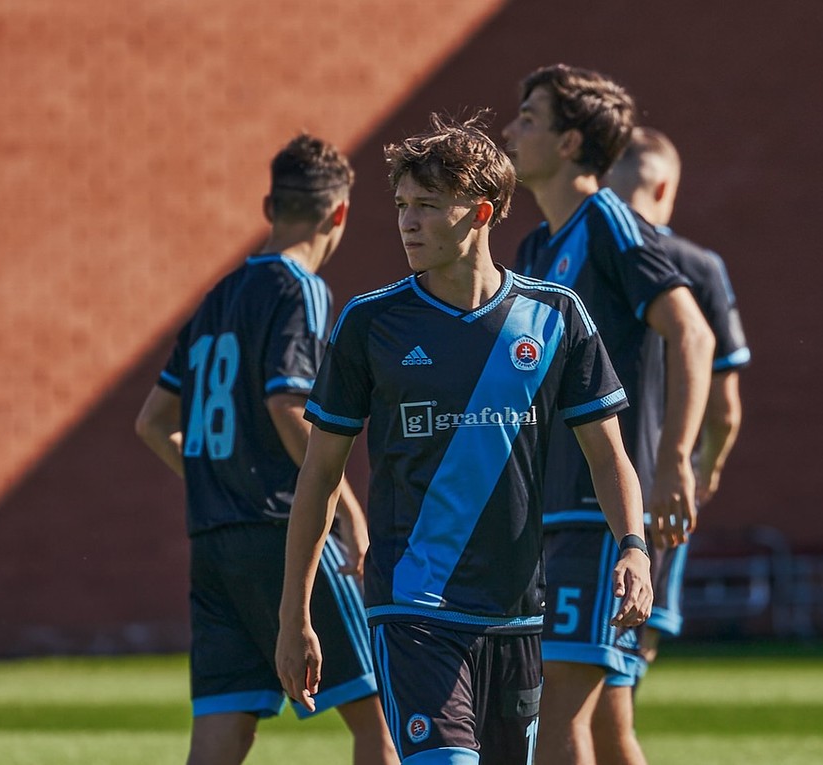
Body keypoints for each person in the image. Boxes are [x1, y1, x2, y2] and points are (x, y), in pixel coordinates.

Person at [276, 112, 652, 765]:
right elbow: (319, 476)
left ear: (480, 213)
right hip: (412, 605)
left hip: (516, 611)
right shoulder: (371, 324)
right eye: (401, 205)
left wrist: (635, 547)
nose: (407, 222)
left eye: (427, 205)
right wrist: (293, 616)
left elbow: (607, 452)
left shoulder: (555, 315)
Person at [135, 134, 396, 765]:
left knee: (220, 738)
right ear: (339, 214)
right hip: (284, 531)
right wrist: (347, 512)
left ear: (267, 206)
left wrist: (213, 478)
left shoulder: (216, 298)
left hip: (215, 541)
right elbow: (287, 404)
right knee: (385, 716)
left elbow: (152, 422)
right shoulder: (299, 289)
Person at [503, 65, 715, 765]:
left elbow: (693, 332)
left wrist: (674, 457)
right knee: (603, 731)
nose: (510, 130)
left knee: (552, 721)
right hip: (549, 514)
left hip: (599, 520)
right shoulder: (536, 247)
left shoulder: (607, 223)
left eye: (528, 118)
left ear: (569, 144)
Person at [591, 126, 751, 761]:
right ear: (665, 185)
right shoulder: (699, 266)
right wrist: (698, 469)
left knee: (590, 699)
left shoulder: (575, 248)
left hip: (575, 497)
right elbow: (727, 408)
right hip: (656, 502)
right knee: (616, 690)